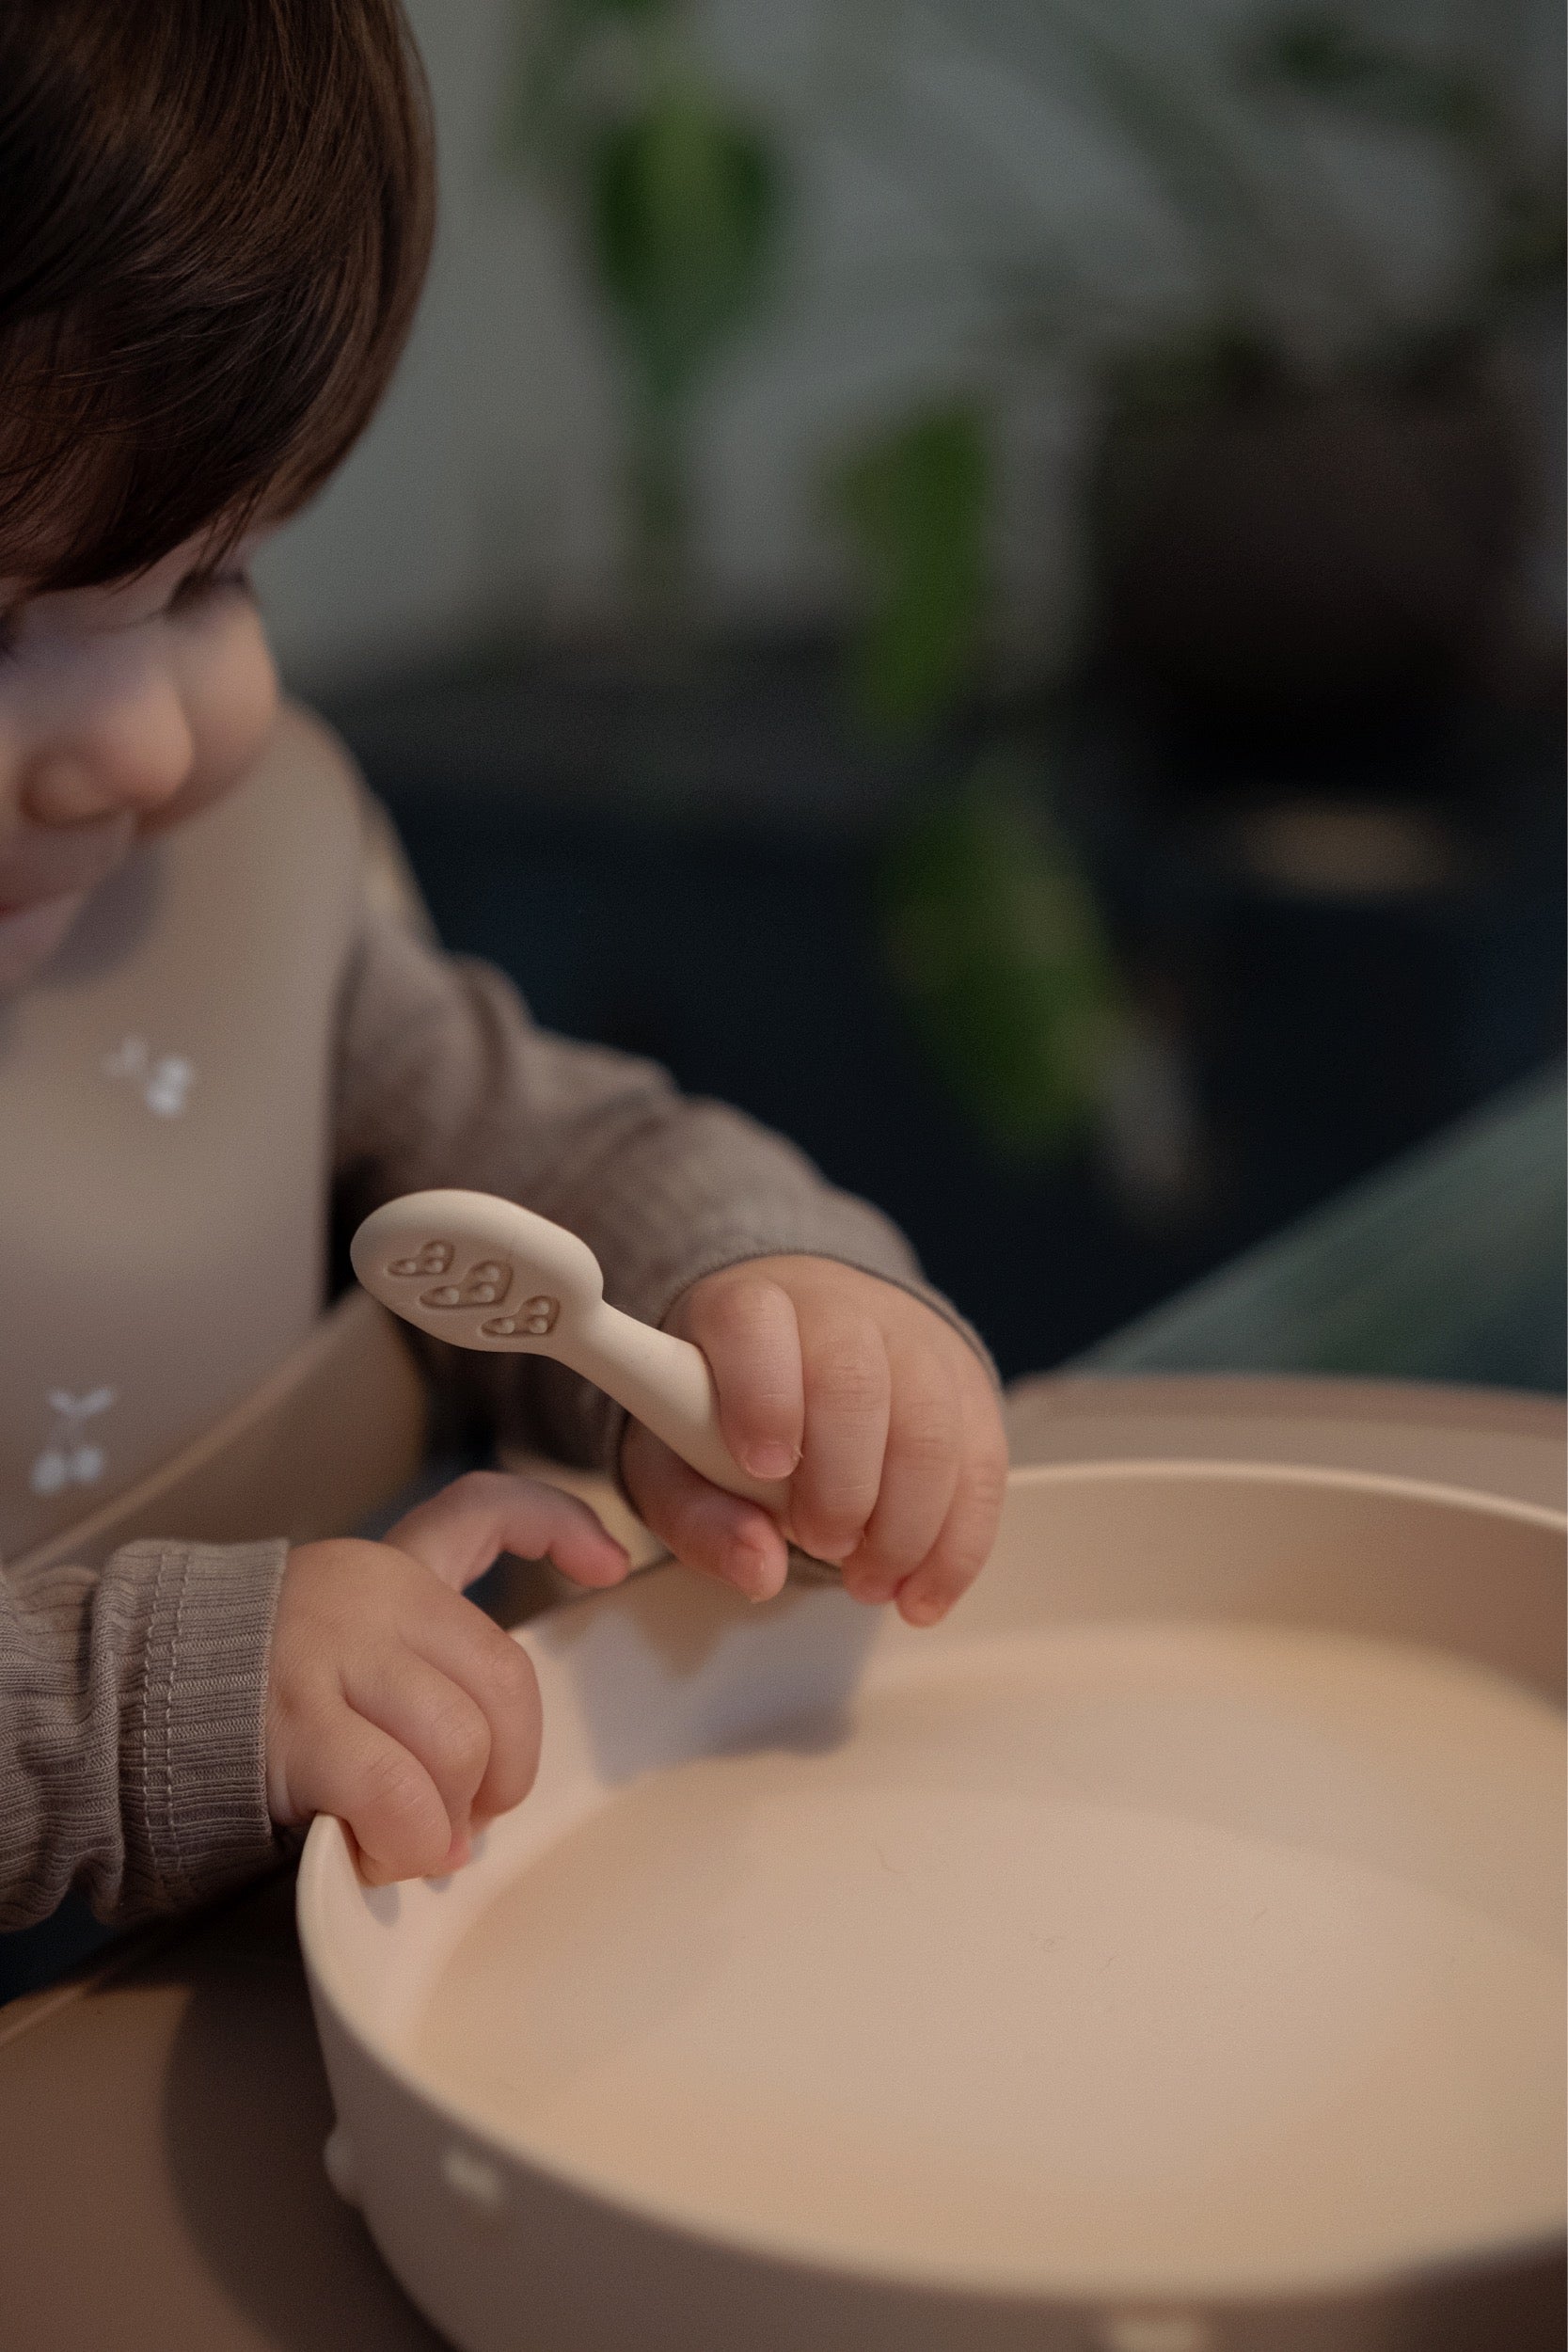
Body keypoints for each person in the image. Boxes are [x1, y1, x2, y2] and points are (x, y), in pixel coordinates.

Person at [0, 0, 1006, 1930]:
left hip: (405, 1919)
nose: (135, 744)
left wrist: (759, 1311)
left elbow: (543, 1149)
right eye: (7, 624)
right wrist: (156, 1697)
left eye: (209, 579)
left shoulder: (231, 882)